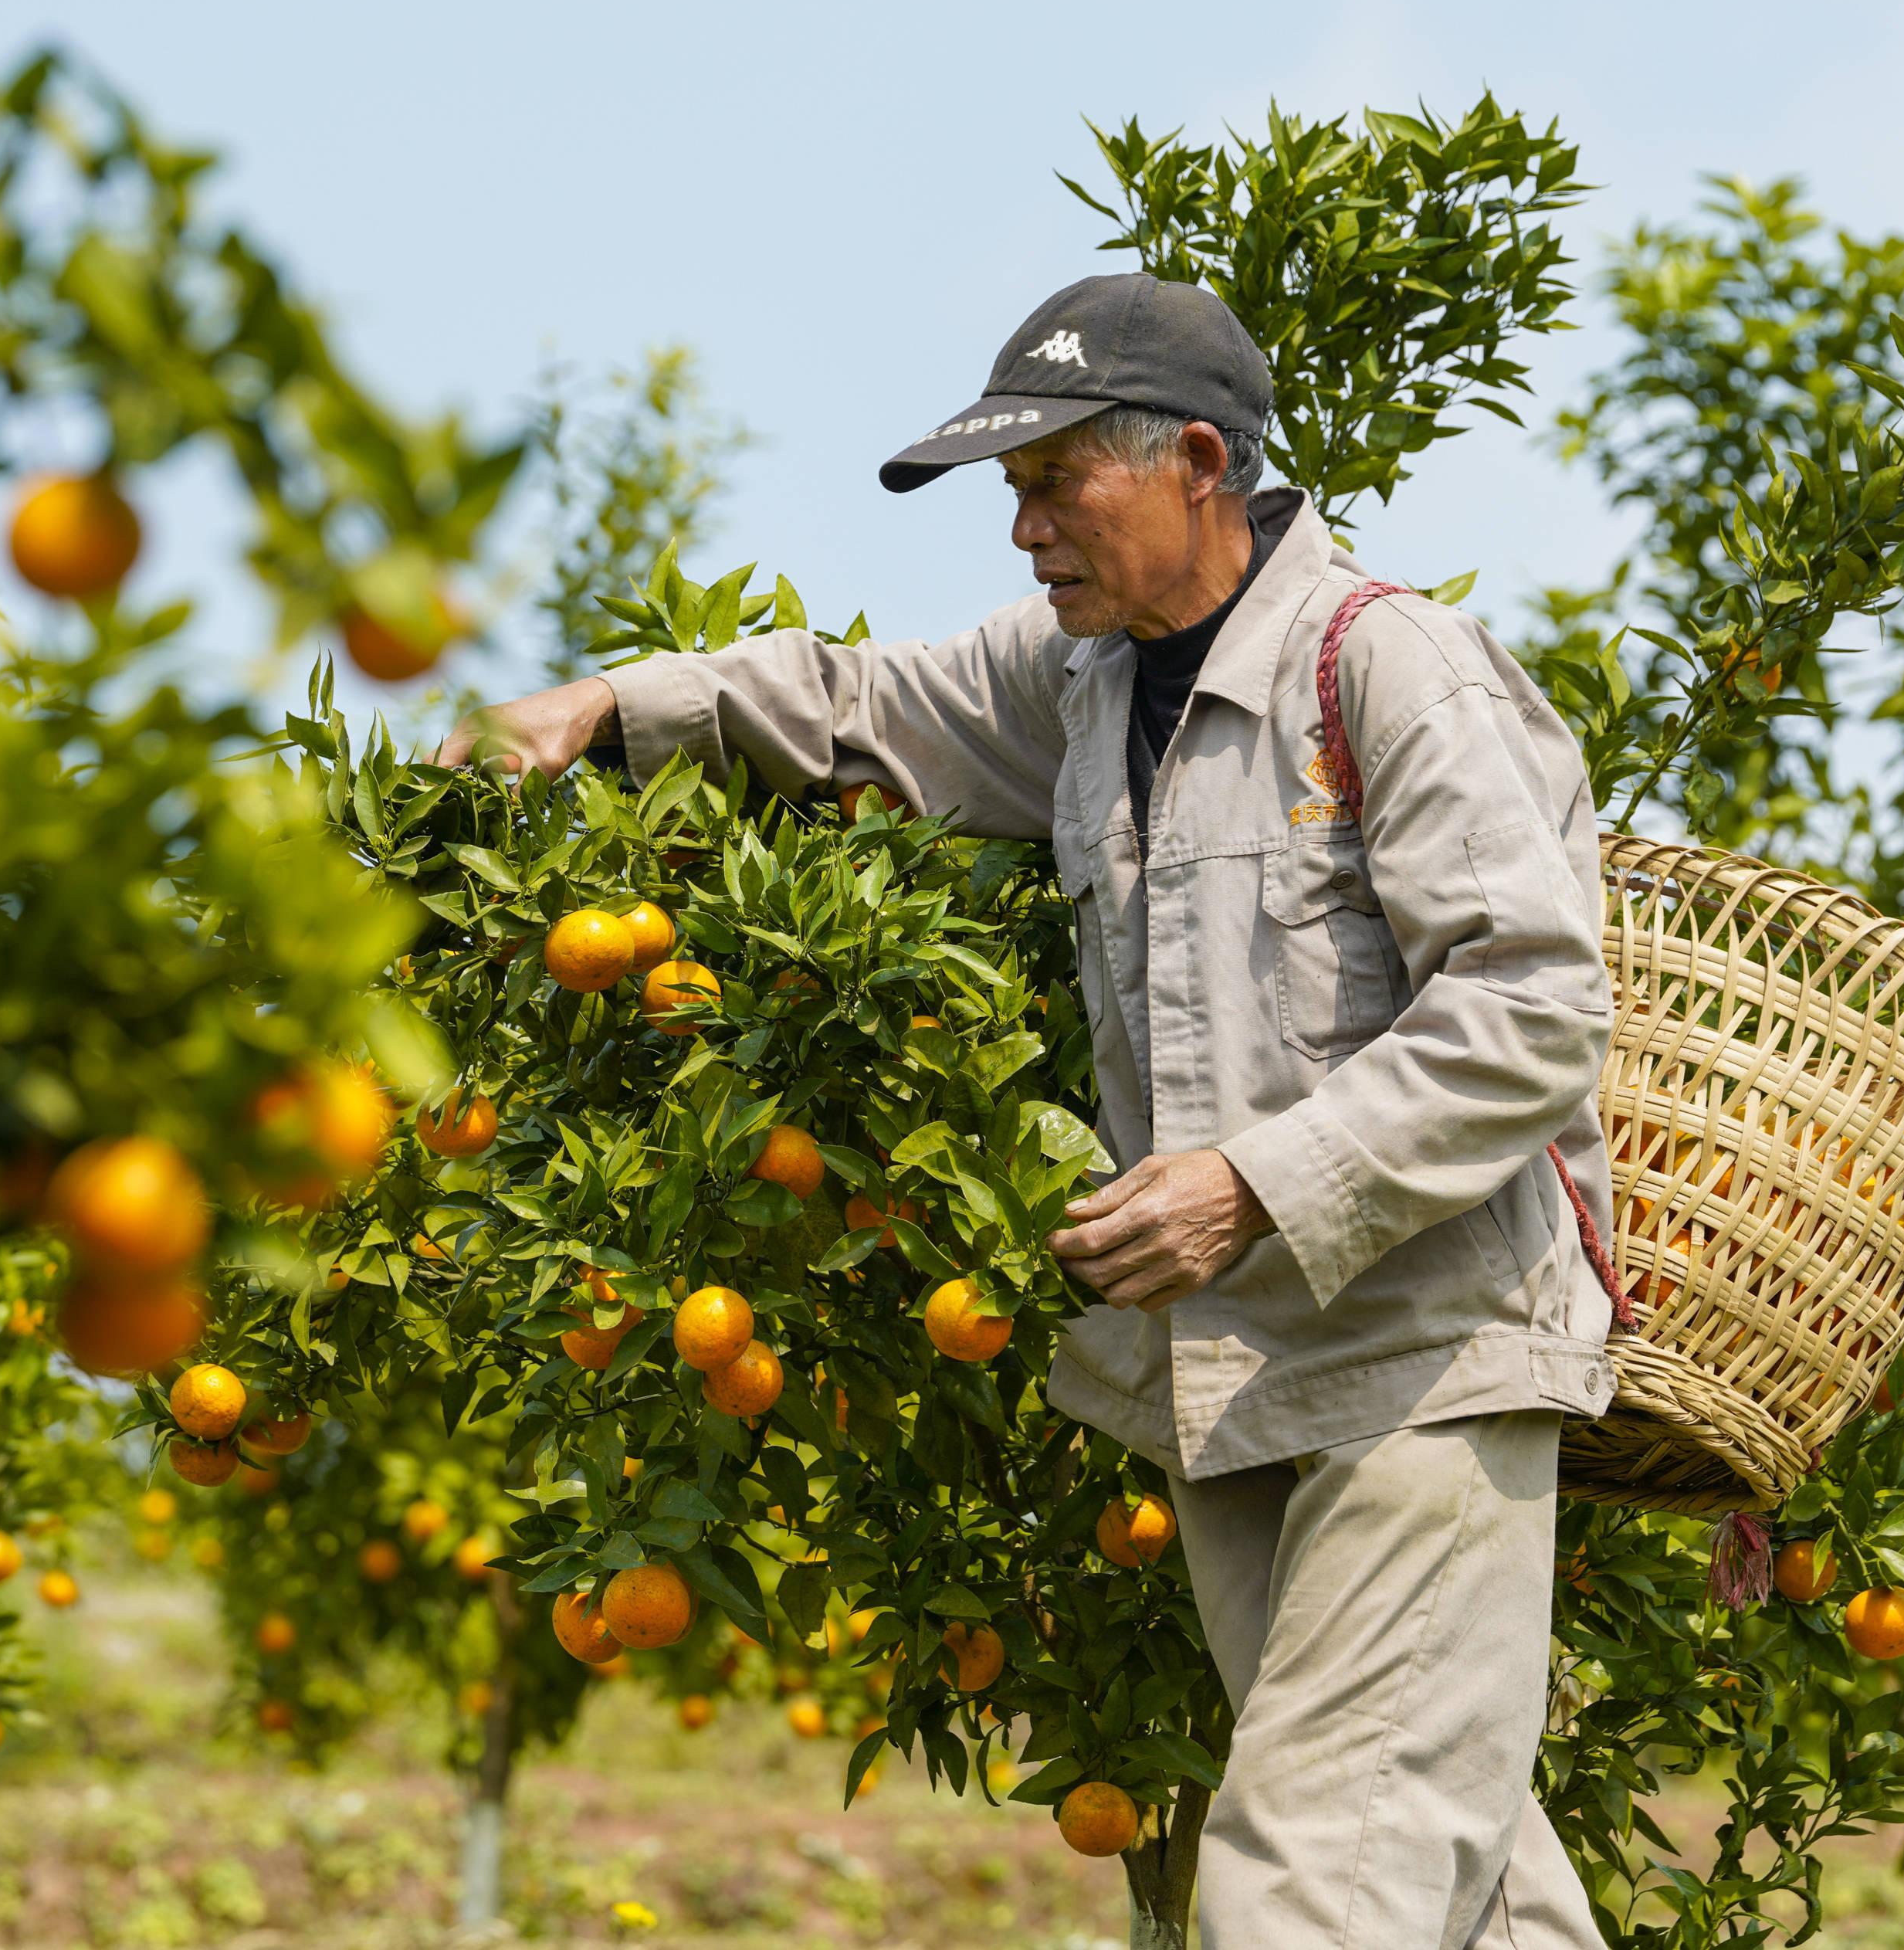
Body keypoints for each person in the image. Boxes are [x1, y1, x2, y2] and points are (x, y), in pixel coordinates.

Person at [441, 272, 1615, 1949]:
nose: (1025, 532)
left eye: (1059, 482)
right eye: (1013, 492)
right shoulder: (1081, 689)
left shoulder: (1390, 671)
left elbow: (1532, 1006)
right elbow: (853, 708)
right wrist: (614, 709)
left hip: (1421, 1364)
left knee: (1314, 1879)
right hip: (1235, 1378)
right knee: (1464, 1884)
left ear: (1199, 460)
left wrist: (1255, 1184)